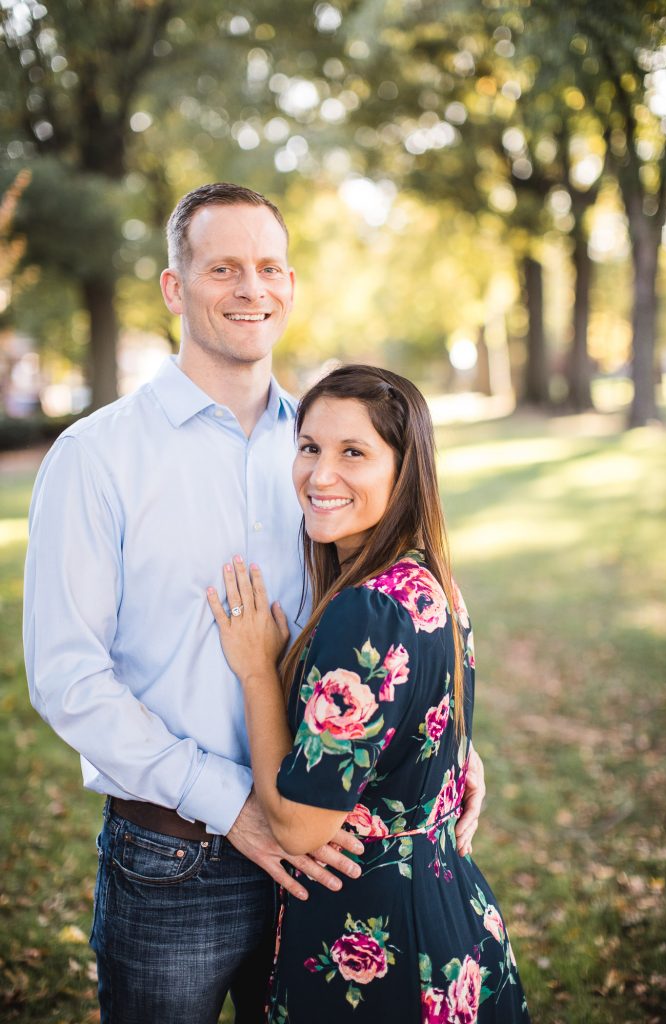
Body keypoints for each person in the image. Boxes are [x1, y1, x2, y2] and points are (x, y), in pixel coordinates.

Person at [23, 184, 486, 1024]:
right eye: (223, 268)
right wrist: (229, 802)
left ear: (291, 284)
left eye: (268, 267)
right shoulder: (97, 457)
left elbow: (387, 617)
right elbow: (66, 678)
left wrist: (443, 750)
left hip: (331, 859)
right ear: (175, 286)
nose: (250, 289)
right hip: (174, 859)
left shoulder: (325, 447)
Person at [207, 364, 530, 1023]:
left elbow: (299, 826)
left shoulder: (368, 611)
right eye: (309, 448)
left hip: (377, 943)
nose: (320, 475)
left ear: (403, 469)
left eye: (353, 452)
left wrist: (255, 672)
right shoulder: (429, 577)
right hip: (448, 917)